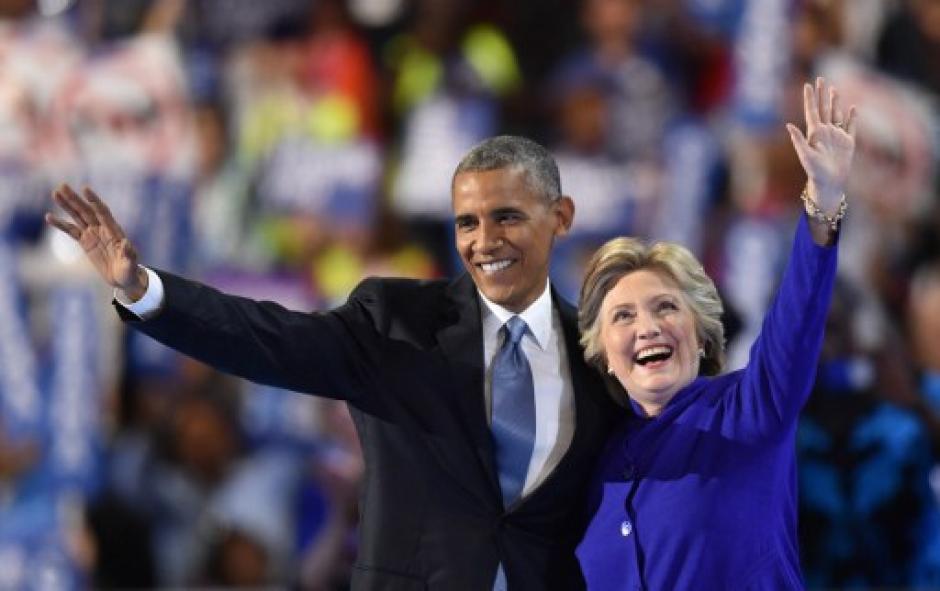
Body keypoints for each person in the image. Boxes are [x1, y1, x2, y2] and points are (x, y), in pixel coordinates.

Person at [45, 135, 618, 590]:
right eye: (467, 222)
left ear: (561, 217)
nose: (483, 240)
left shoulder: (598, 353)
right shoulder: (399, 320)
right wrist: (143, 289)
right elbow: (269, 337)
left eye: (507, 217)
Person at [574, 78, 856, 589]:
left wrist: (823, 203)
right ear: (602, 356)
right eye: (623, 316)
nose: (648, 327)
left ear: (702, 335)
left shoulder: (749, 411)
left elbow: (796, 321)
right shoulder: (590, 460)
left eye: (665, 307)